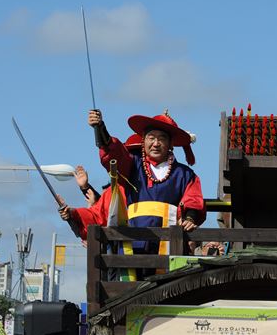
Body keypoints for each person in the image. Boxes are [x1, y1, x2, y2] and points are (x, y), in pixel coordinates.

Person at [61, 110, 206, 257]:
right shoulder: (132, 165)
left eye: (161, 138)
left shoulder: (185, 174)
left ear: (170, 144)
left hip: (169, 245)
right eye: (151, 138)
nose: (156, 143)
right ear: (143, 141)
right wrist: (100, 128)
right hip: (131, 244)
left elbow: (193, 199)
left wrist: (190, 217)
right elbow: (115, 154)